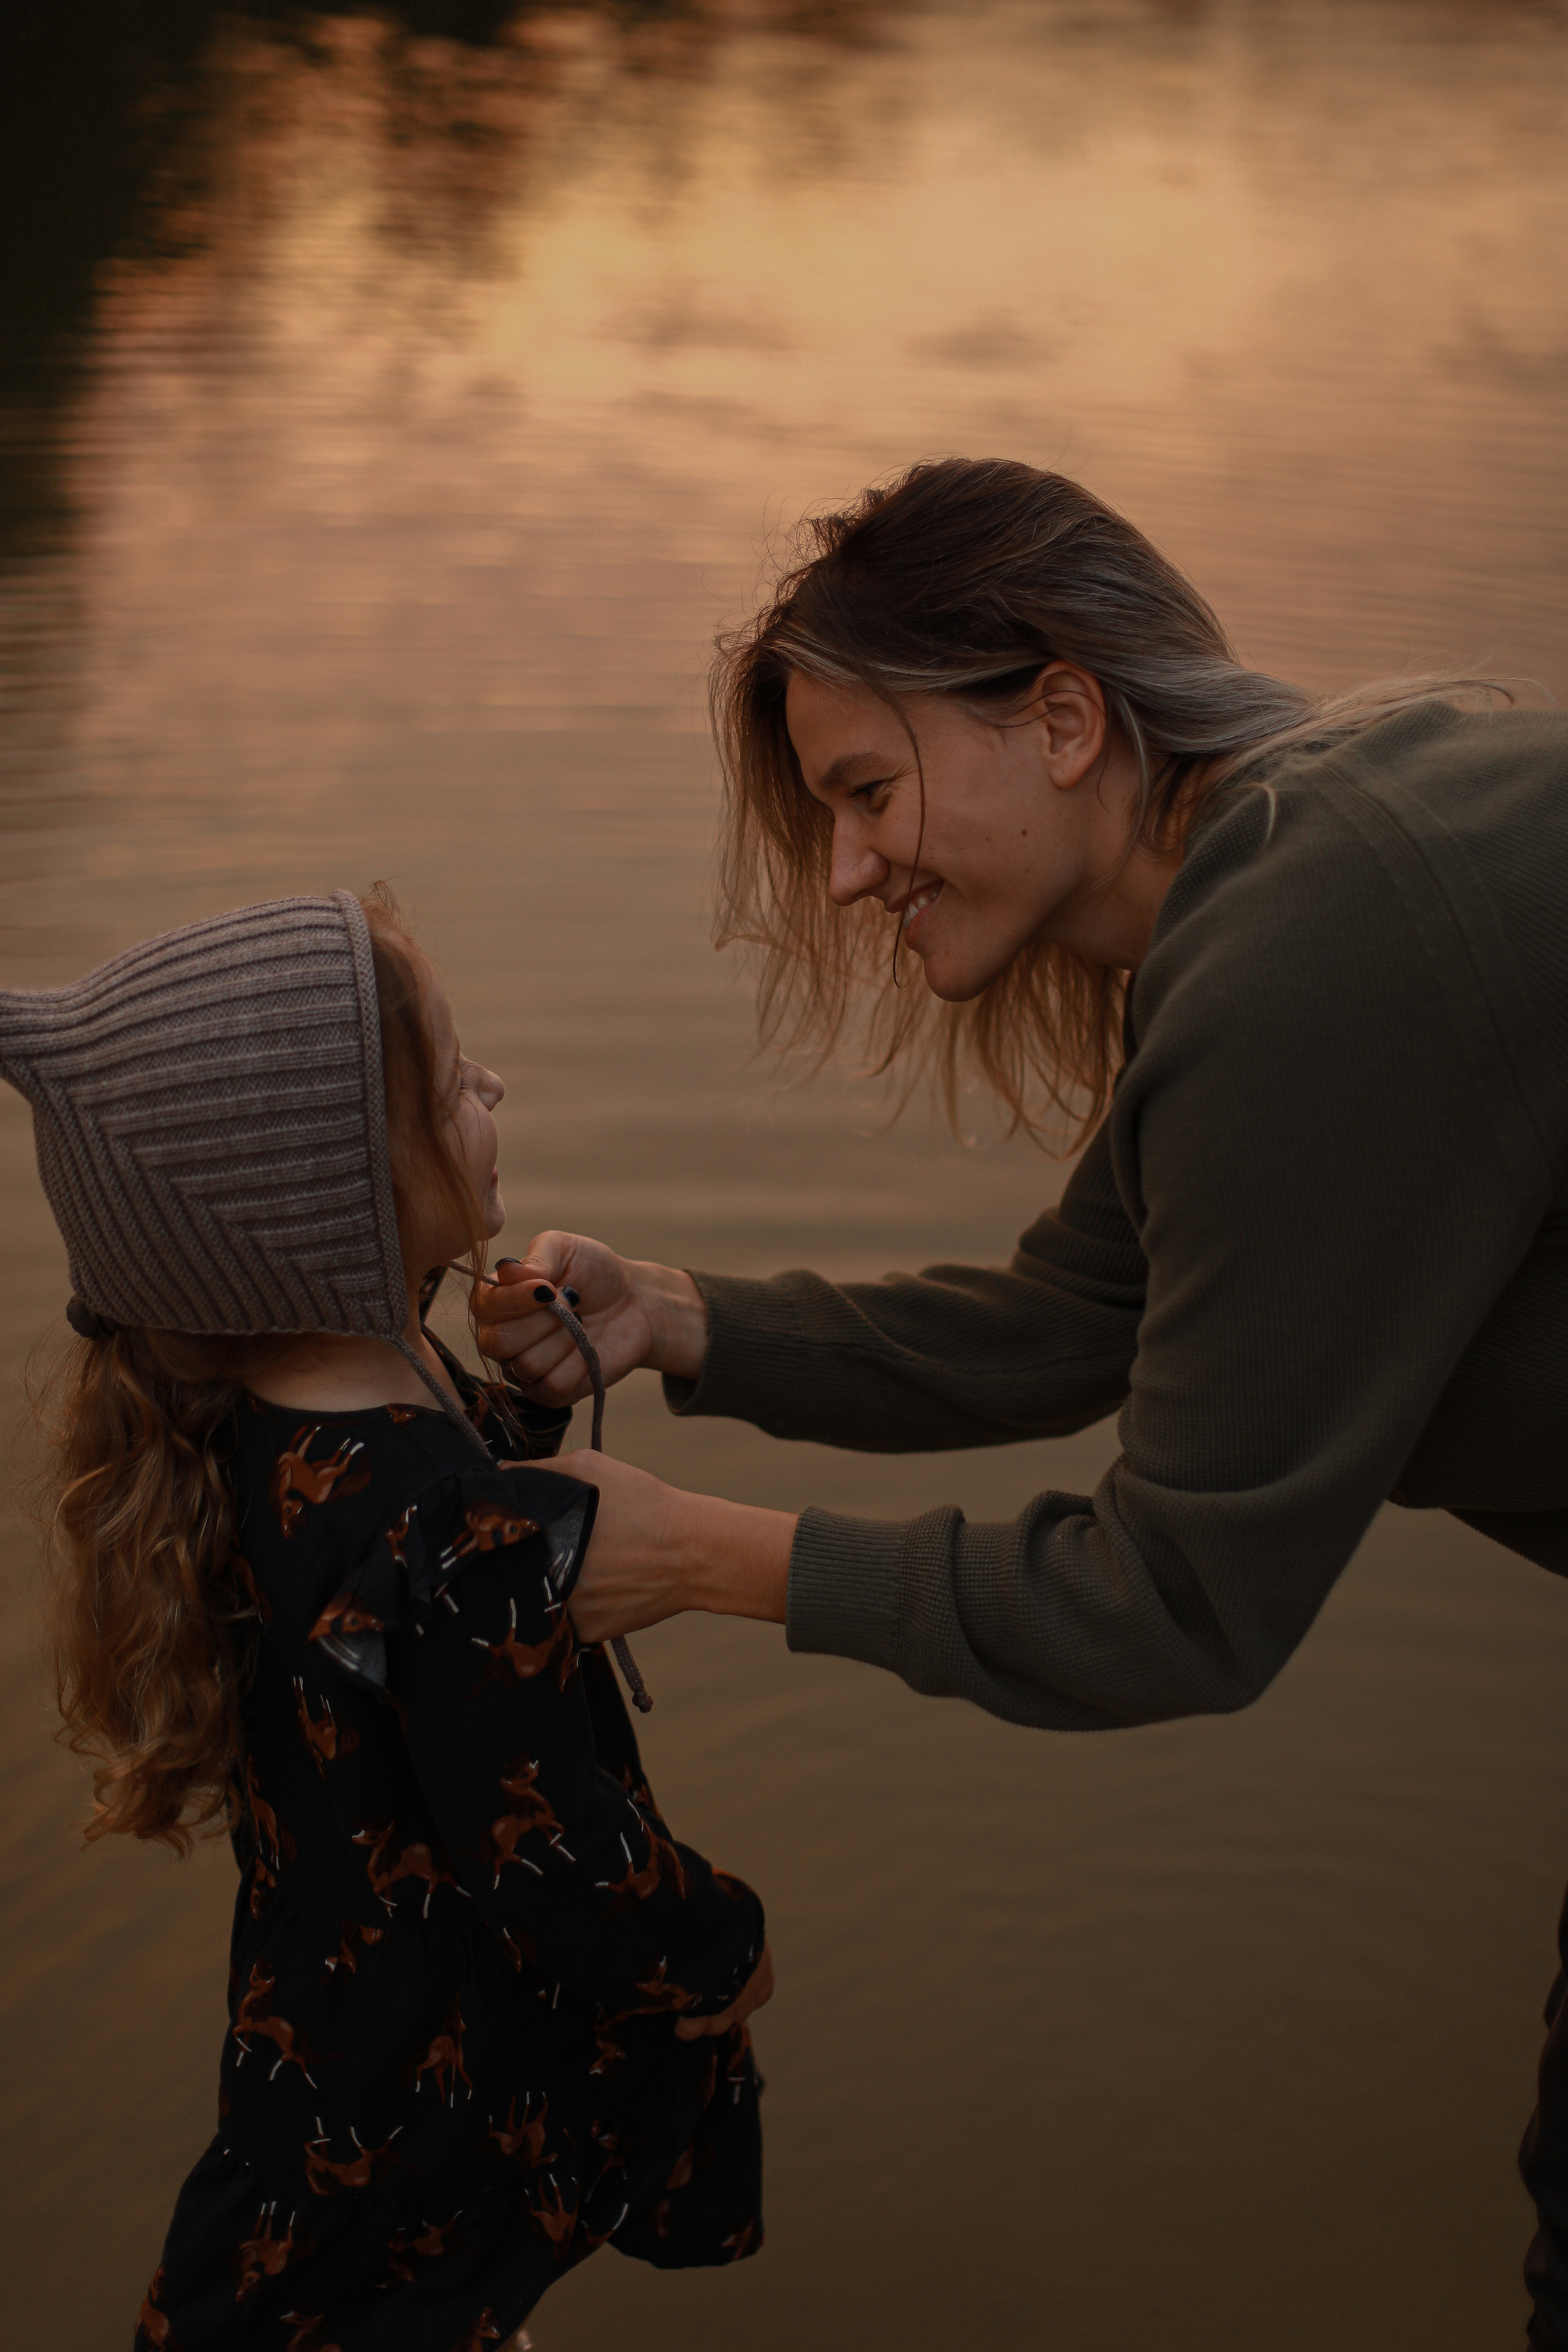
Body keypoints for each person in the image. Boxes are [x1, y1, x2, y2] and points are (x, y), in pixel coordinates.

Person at [473, 458, 1568, 2339]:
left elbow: (1177, 1609)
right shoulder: (1287, 851)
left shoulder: (1314, 938)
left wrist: (692, 1562)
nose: (846, 872)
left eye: (868, 792)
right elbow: (1081, 1315)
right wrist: (669, 1317)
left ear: (1063, 716)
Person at [4, 888, 770, 2352]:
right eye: (451, 1079)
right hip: (413, 2090)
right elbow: (543, 1845)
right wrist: (717, 1939)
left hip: (325, 2036)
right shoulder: (438, 1524)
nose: (493, 1090)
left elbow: (387, 1529)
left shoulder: (266, 1417)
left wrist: (520, 1409)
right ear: (331, 1196)